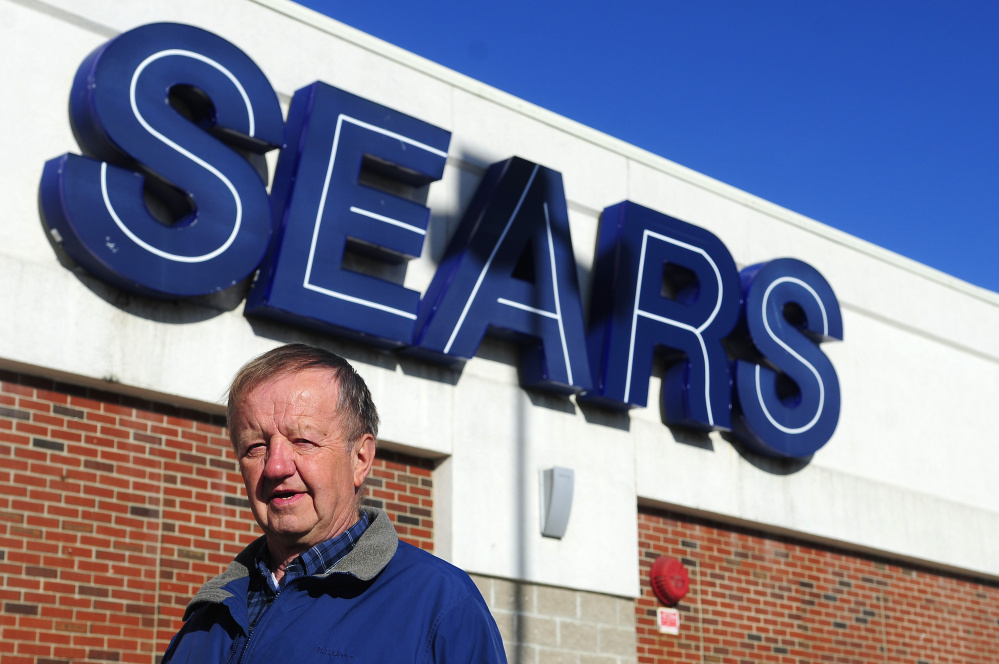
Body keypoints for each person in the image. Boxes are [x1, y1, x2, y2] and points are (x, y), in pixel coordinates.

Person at [163, 343, 507, 663]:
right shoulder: (207, 619)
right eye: (255, 446)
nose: (275, 466)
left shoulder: (441, 605)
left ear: (360, 459)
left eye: (303, 440)